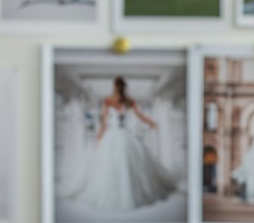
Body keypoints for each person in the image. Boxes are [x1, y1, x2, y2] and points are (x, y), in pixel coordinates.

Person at [65, 77, 176, 212]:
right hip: (115, 135)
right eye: (118, 87)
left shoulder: (125, 101)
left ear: (118, 87)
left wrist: (150, 122)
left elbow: (138, 115)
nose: (118, 89)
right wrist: (100, 137)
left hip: (122, 134)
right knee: (111, 165)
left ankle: (127, 193)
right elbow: (104, 122)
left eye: (119, 87)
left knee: (124, 163)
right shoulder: (112, 101)